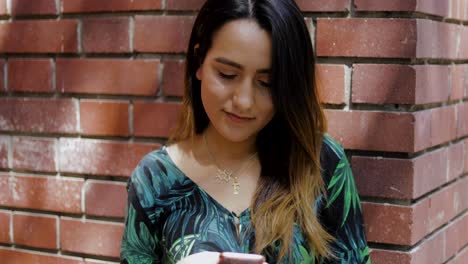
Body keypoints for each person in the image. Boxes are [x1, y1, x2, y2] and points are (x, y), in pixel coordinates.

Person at [120, 0, 371, 263]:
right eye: (227, 74)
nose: (244, 101)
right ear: (199, 62)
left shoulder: (320, 163)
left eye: (267, 83)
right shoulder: (154, 180)